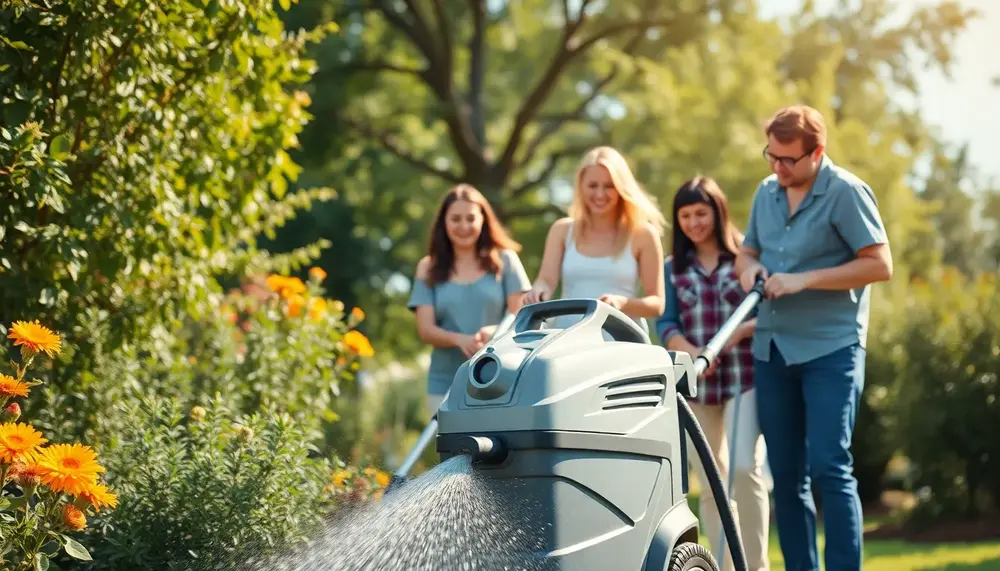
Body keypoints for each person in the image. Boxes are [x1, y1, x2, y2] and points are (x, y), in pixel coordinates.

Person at [736, 105, 893, 571]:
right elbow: (746, 253)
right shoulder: (766, 193)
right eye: (772, 156)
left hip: (832, 350)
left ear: (816, 153)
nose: (778, 168)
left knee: (829, 466)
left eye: (788, 160)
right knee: (786, 478)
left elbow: (880, 264)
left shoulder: (846, 191)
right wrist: (752, 271)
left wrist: (803, 279)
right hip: (773, 349)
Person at [655, 176, 770, 571]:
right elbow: (666, 325)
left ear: (717, 211)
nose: (693, 222)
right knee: (711, 483)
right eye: (685, 215)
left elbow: (767, 315)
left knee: (743, 469)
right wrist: (693, 352)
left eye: (701, 212)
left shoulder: (744, 258)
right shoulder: (673, 268)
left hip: (744, 379)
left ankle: (755, 565)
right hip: (697, 386)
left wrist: (736, 334)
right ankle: (725, 564)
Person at [407, 184, 532, 415]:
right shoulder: (427, 267)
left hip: (500, 379)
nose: (463, 226)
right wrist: (460, 340)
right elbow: (425, 329)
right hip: (446, 382)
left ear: (483, 220)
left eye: (470, 218)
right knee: (454, 450)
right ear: (444, 222)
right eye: (455, 219)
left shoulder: (506, 260)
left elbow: (523, 319)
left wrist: (495, 331)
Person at [521, 146, 666, 334]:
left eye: (609, 186)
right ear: (581, 186)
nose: (600, 194)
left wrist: (621, 303)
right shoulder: (562, 230)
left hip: (622, 343)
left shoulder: (643, 234)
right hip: (567, 340)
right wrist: (538, 290)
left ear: (621, 189)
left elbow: (657, 304)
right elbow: (546, 280)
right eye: (592, 185)